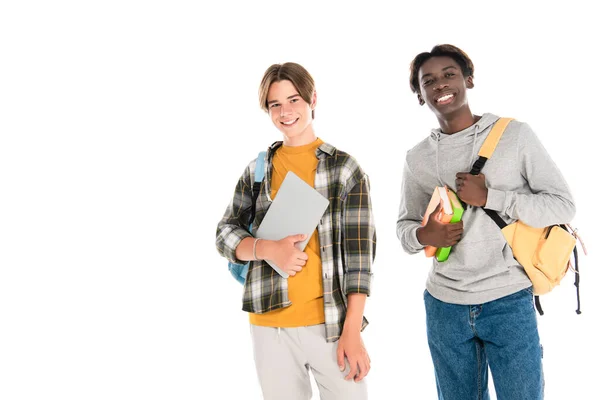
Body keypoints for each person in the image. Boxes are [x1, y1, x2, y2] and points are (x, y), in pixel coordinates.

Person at [396, 44, 575, 400]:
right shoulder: (417, 159)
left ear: (468, 79)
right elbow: (405, 230)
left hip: (507, 298)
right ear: (420, 95)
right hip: (444, 304)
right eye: (428, 81)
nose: (440, 85)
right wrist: (423, 233)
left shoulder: (515, 135)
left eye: (449, 74)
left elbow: (563, 206)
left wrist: (492, 198)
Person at [216, 62, 376, 400]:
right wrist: (267, 249)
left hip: (330, 326)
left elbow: (360, 262)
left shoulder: (344, 169)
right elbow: (225, 234)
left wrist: (352, 332)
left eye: (293, 100)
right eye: (275, 104)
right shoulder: (258, 169)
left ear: (312, 98)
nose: (285, 111)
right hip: (269, 326)